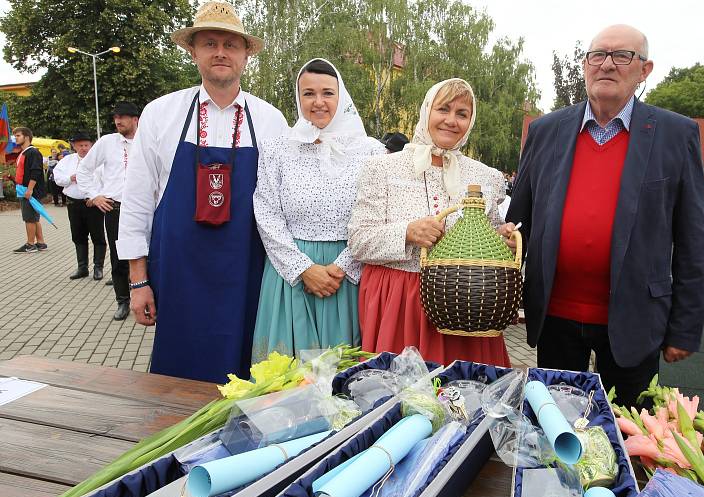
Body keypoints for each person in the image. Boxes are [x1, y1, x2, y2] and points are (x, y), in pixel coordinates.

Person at [506, 24, 704, 409]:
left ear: (644, 70)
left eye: (622, 56)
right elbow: (518, 225)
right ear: (585, 65)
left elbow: (691, 241)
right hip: (556, 316)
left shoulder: (675, 134)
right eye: (597, 55)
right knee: (557, 428)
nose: (607, 65)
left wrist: (684, 327)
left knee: (630, 431)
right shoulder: (547, 130)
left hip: (635, 318)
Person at [117, 0, 288, 383]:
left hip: (248, 273)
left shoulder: (271, 120)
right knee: (176, 380)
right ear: (193, 52)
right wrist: (138, 280)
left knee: (245, 375)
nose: (221, 53)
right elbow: (139, 201)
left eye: (231, 45)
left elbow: (284, 206)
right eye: (210, 43)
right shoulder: (161, 113)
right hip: (179, 275)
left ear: (246, 54)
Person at [349, 78, 511, 367]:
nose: (451, 120)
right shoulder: (382, 167)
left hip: (465, 303)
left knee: (464, 397)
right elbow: (359, 242)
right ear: (426, 112)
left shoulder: (486, 177)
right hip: (401, 302)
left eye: (462, 113)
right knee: (404, 397)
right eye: (443, 109)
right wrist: (407, 233)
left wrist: (503, 239)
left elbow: (487, 237)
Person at [252, 58, 384, 360]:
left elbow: (377, 216)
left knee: (342, 375)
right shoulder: (277, 149)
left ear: (342, 97)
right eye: (308, 93)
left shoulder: (372, 152)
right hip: (291, 275)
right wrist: (303, 269)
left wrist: (342, 266)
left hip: (347, 275)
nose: (318, 102)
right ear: (298, 99)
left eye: (327, 92)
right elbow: (267, 212)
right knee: (288, 377)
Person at [77, 102, 139, 321]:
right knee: (119, 257)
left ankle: (149, 299)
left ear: (135, 119)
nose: (118, 121)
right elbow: (84, 170)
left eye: (123, 116)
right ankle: (123, 301)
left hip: (144, 209)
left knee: (149, 255)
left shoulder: (147, 140)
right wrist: (94, 195)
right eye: (115, 117)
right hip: (116, 208)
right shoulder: (107, 142)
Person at [54, 131, 107, 280]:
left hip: (93, 204)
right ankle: (82, 267)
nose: (84, 148)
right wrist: (69, 178)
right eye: (80, 145)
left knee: (98, 236)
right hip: (74, 203)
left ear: (91, 145)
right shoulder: (67, 161)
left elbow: (107, 182)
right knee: (78, 235)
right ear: (74, 146)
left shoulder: (99, 163)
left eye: (86, 145)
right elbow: (57, 178)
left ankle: (98, 267)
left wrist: (96, 196)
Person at [11, 127, 47, 253]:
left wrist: (30, 189)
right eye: (15, 136)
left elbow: (36, 171)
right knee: (34, 217)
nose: (16, 138)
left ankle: (30, 244)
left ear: (26, 137)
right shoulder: (24, 152)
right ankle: (41, 242)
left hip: (29, 190)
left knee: (29, 218)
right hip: (24, 189)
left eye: (18, 135)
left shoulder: (33, 152)